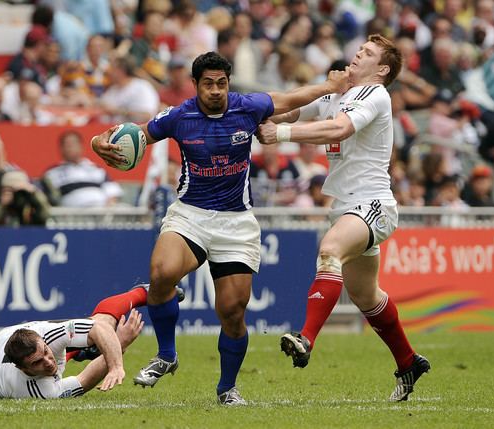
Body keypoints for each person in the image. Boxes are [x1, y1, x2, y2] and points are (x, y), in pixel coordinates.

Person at [90, 51, 346, 405]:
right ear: (195, 85)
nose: (215, 90)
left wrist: (329, 86)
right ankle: (166, 354)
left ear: (228, 83)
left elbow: (289, 98)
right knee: (162, 273)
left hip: (236, 223)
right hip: (190, 215)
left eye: (221, 83)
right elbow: (138, 136)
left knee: (232, 310)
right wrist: (97, 142)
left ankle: (227, 388)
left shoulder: (248, 106)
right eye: (208, 84)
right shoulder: (180, 116)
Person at [257, 34, 430, 402]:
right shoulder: (338, 92)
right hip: (347, 206)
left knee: (330, 248)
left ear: (381, 69)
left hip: (373, 204)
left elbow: (339, 129)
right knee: (366, 296)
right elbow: (287, 110)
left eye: (367, 53)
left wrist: (281, 135)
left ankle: (306, 338)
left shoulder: (374, 94)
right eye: (359, 49)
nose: (357, 54)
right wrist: (251, 112)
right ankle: (409, 361)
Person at [0, 285, 151, 399]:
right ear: (23, 368)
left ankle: (143, 292)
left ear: (42, 341)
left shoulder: (45, 335)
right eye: (37, 362)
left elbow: (99, 327)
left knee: (101, 323)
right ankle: (83, 348)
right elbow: (83, 380)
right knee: (98, 338)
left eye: (46, 352)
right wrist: (121, 343)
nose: (48, 361)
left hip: (5, 335)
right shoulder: (37, 391)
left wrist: (116, 366)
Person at [43, 130, 123, 207]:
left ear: (81, 146)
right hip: (70, 217)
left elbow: (113, 192)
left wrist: (109, 209)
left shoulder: (96, 169)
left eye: (73, 144)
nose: (69, 148)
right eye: (66, 145)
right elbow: (47, 200)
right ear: (61, 149)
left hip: (101, 213)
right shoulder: (52, 173)